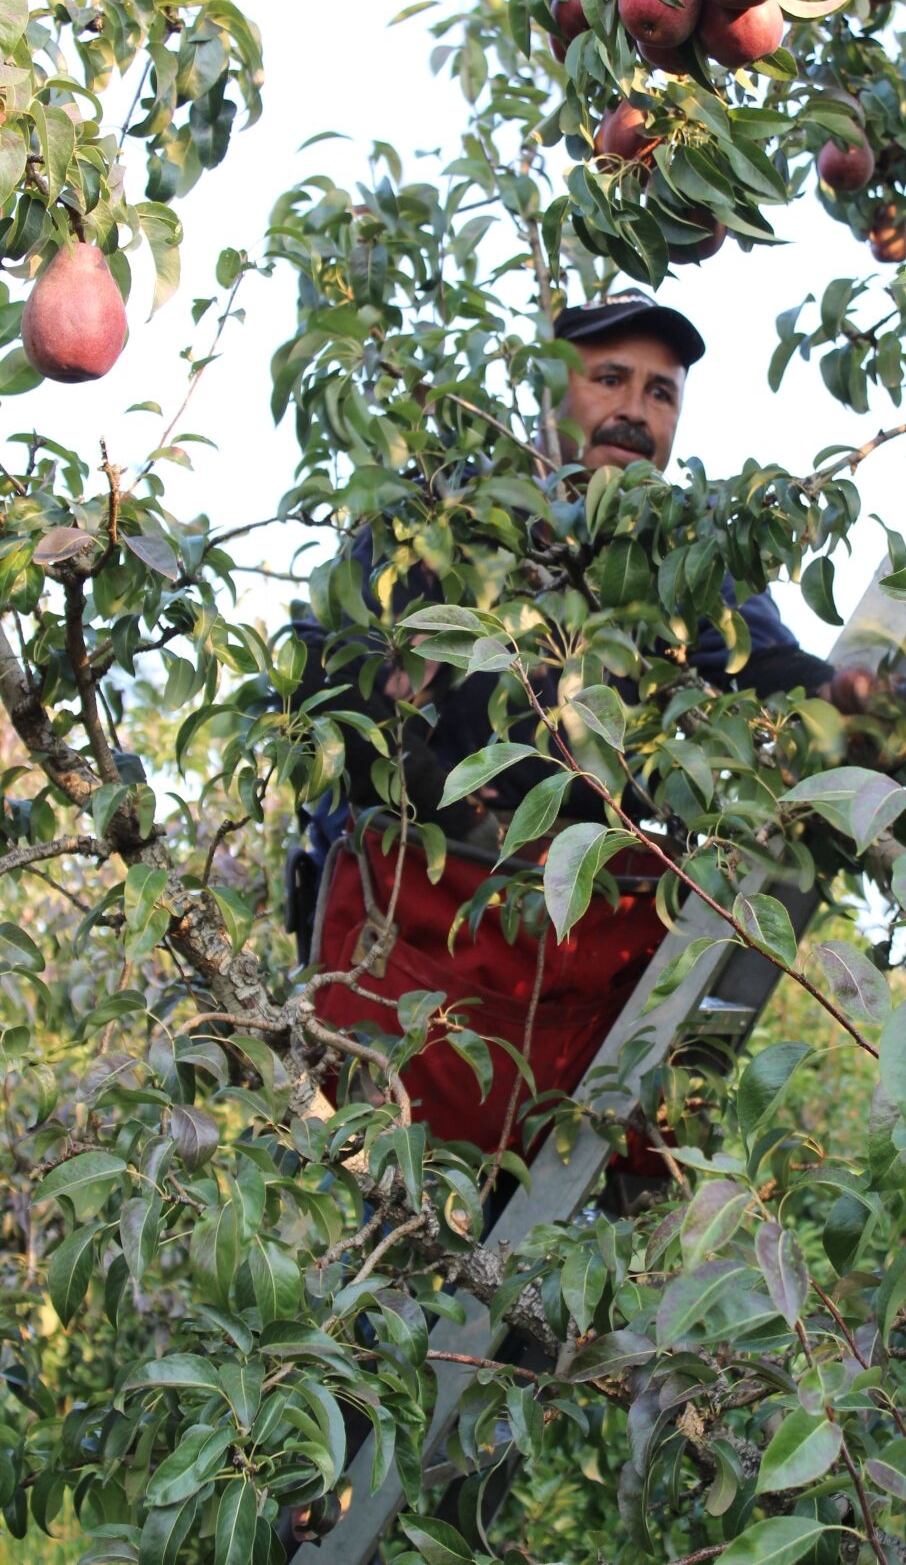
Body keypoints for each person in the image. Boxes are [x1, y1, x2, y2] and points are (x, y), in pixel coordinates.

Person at [294, 290, 874, 1152]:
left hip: (579, 947)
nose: (635, 413)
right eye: (609, 380)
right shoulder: (451, 514)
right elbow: (331, 667)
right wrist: (455, 809)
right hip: (421, 914)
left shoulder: (687, 554)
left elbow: (766, 674)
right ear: (549, 391)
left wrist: (847, 704)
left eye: (660, 392)